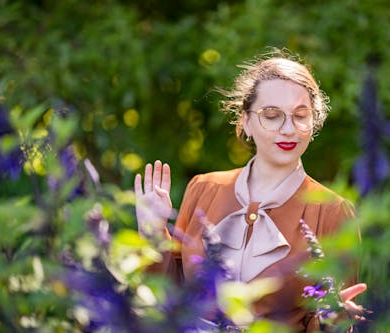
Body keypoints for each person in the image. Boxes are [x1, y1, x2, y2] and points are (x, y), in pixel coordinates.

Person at [134, 51, 366, 332]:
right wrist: (154, 232)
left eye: (300, 116)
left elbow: (332, 318)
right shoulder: (203, 189)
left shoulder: (333, 212)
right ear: (245, 120)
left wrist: (334, 320)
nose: (288, 129)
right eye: (272, 115)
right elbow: (172, 295)